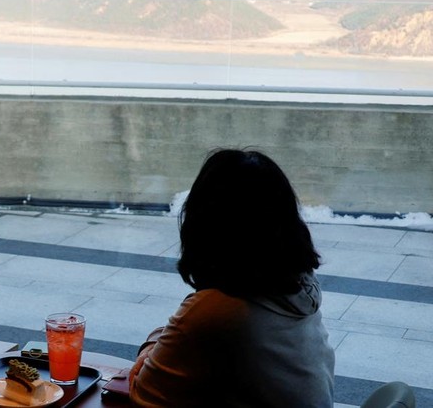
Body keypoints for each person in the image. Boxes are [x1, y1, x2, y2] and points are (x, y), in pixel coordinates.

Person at [129, 149, 335, 407]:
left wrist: (150, 346)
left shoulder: (219, 310)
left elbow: (146, 395)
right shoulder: (299, 286)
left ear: (204, 223)